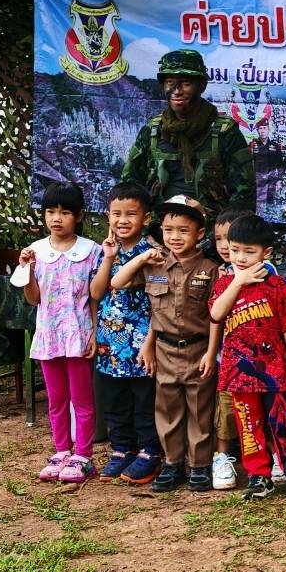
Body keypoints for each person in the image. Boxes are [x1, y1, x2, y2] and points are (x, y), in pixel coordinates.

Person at [112, 195, 220, 493]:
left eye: (183, 230)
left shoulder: (210, 269)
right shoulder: (154, 265)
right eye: (169, 230)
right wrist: (142, 258)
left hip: (198, 350)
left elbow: (216, 317)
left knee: (200, 411)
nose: (174, 237)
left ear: (200, 234)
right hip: (165, 351)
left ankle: (199, 466)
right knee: (168, 410)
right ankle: (173, 463)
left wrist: (212, 353)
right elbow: (118, 282)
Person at [208, 212, 286, 504]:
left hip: (275, 370)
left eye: (249, 252)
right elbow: (217, 314)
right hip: (238, 373)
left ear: (266, 253)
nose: (240, 257)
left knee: (285, 424)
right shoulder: (223, 285)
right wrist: (238, 281)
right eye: (235, 250)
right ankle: (259, 476)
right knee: (248, 425)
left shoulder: (278, 287)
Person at [19, 181, 101, 485]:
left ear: (78, 216)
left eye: (65, 212)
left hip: (78, 335)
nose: (56, 218)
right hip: (48, 335)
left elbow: (94, 297)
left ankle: (84, 455)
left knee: (81, 398)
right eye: (51, 211)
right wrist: (27, 270)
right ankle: (61, 450)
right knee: (55, 398)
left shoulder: (90, 251)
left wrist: (93, 333)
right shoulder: (36, 251)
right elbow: (33, 298)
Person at [122, 49, 254, 219]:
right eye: (170, 82)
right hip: (158, 230)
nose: (177, 91)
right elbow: (129, 186)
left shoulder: (224, 133)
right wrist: (145, 233)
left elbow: (244, 195)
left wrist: (217, 238)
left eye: (186, 83)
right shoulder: (152, 131)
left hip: (210, 234)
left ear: (202, 86)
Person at [89, 181, 161, 485]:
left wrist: (151, 343)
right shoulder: (105, 251)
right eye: (116, 213)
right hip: (109, 343)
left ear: (145, 218)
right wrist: (108, 258)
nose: (122, 220)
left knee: (144, 399)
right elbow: (96, 292)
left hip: (140, 342)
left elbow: (160, 303)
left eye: (130, 214)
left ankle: (149, 451)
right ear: (108, 217)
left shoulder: (154, 252)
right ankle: (121, 449)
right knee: (115, 399)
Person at [209, 207, 251, 492]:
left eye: (231, 240)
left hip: (261, 362)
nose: (225, 246)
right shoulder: (220, 273)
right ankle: (222, 457)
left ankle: (266, 459)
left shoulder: (266, 273)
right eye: (219, 239)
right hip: (228, 358)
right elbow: (216, 318)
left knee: (260, 411)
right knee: (225, 412)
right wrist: (212, 352)